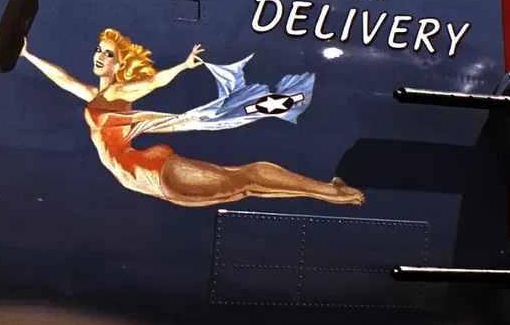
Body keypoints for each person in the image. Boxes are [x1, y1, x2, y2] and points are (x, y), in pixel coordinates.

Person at [21, 28, 364, 207]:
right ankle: (332, 193)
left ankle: (335, 193)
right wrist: (27, 54)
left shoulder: (120, 93)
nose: (100, 56)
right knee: (245, 187)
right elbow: (63, 79)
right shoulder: (97, 97)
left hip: (152, 172)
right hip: (143, 179)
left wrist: (183, 66)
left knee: (249, 178)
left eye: (108, 54)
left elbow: (154, 82)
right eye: (99, 50)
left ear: (120, 64)